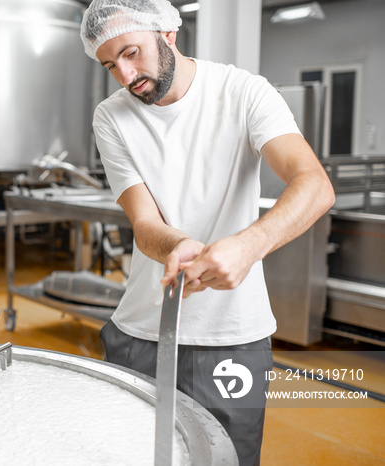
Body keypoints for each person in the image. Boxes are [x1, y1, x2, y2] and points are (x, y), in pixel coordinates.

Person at [80, 1, 335, 464]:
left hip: (232, 336)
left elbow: (315, 185)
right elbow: (145, 223)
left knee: (226, 458)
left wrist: (249, 245)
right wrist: (179, 244)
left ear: (168, 33)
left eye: (132, 52)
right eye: (110, 65)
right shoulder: (111, 116)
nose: (125, 74)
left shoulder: (244, 93)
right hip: (140, 330)